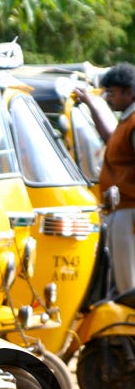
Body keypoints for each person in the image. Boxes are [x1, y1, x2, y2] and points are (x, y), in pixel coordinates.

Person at [75, 63, 135, 294]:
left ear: (129, 92)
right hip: (122, 210)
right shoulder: (126, 121)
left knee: (127, 285)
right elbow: (112, 139)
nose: (109, 98)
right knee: (123, 280)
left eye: (112, 92)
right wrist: (92, 104)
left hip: (129, 210)